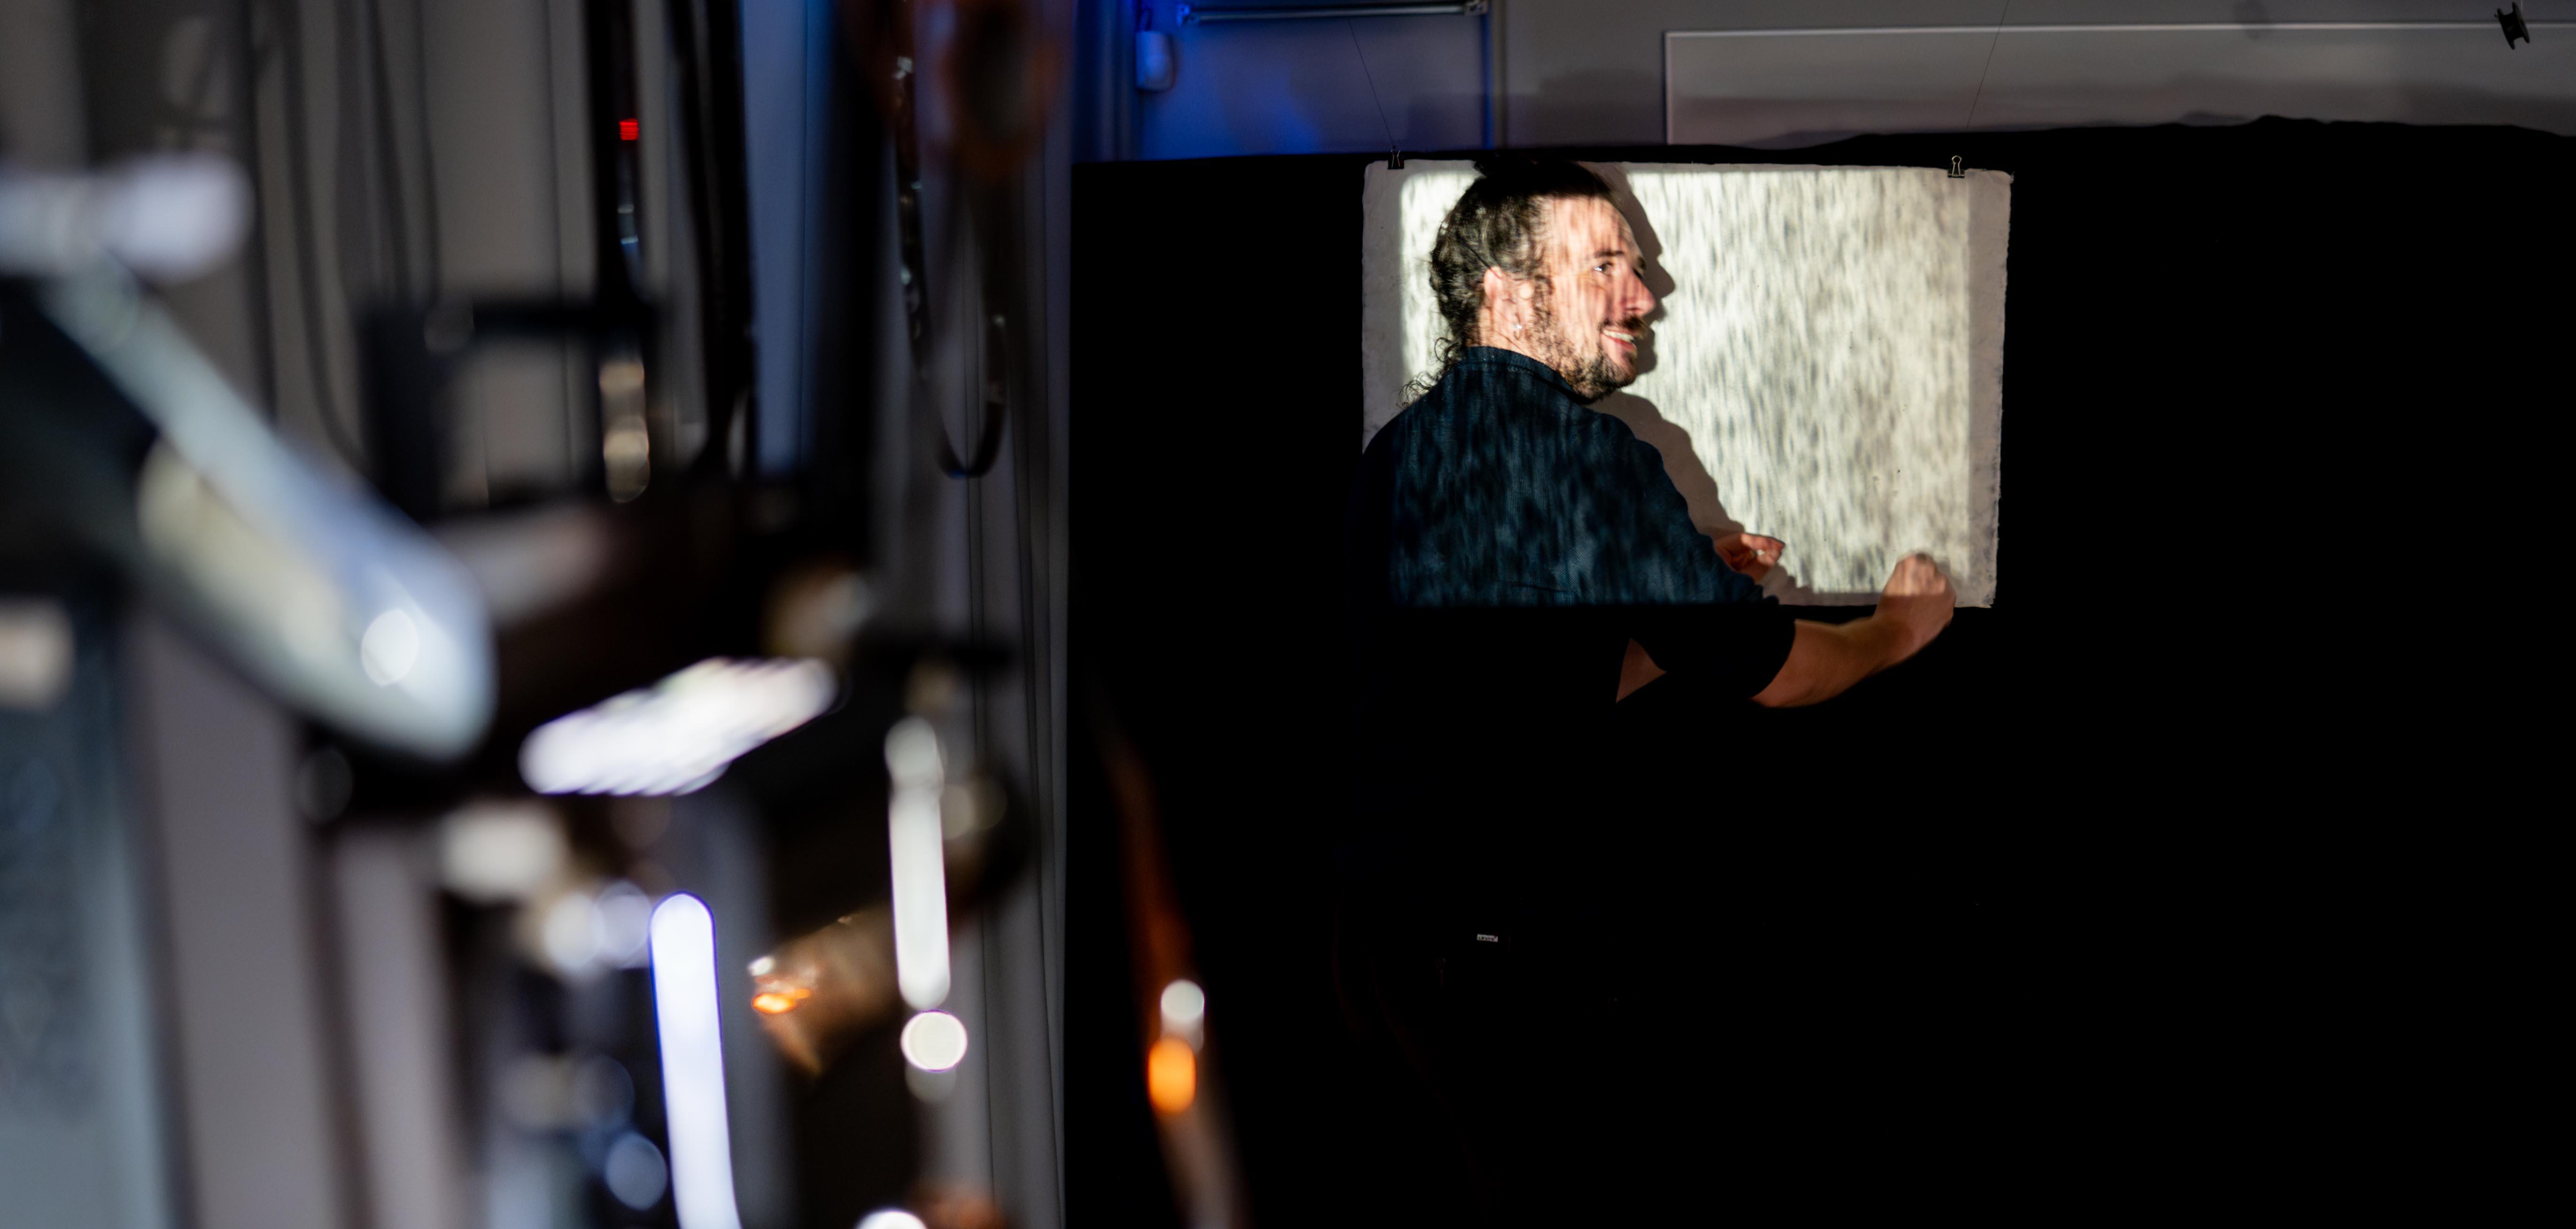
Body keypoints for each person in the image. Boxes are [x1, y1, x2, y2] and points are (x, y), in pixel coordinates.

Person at [1334, 156, 1957, 1221]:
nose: (1645, 295)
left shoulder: (1400, 453)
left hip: (1385, 956)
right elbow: (1773, 673)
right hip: (1503, 970)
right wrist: (1898, 629)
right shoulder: (1592, 458)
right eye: (1606, 266)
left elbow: (1532, 688)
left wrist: (1680, 602)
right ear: (1509, 294)